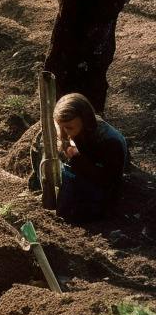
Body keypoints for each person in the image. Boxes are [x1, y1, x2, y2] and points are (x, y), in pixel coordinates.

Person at [53, 93, 128, 224]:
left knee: (63, 173)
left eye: (69, 127)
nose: (64, 132)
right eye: (61, 127)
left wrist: (76, 157)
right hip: (88, 178)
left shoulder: (110, 142)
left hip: (103, 196)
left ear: (85, 120)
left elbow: (109, 182)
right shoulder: (80, 128)